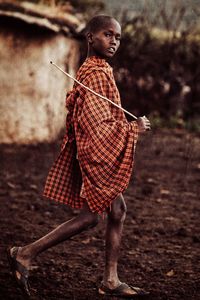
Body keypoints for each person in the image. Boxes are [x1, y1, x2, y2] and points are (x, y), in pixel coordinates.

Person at [7, 15, 151, 298]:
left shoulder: (99, 70)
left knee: (116, 211)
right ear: (90, 37)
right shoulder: (95, 74)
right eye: (107, 35)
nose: (113, 42)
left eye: (118, 37)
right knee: (91, 218)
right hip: (93, 153)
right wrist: (133, 127)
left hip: (91, 152)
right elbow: (97, 126)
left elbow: (100, 118)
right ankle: (24, 253)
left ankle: (110, 280)